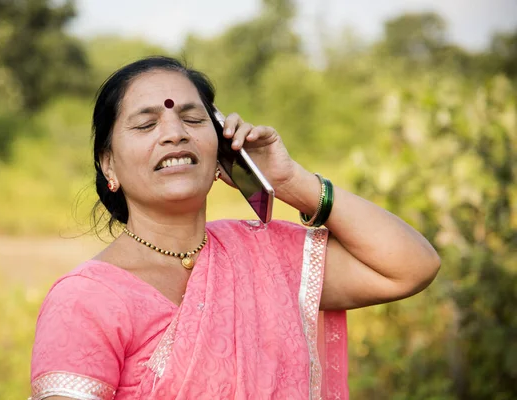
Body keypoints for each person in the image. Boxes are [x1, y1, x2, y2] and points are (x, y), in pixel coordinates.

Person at [29, 56, 440, 400]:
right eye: (146, 124)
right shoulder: (85, 300)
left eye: (192, 119)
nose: (174, 133)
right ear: (109, 165)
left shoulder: (264, 255)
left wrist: (293, 182)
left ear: (222, 148)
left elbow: (411, 266)